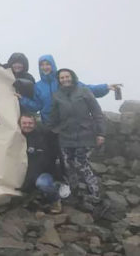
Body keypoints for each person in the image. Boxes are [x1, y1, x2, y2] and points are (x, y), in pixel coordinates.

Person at [49, 68, 106, 210]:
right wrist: (55, 130)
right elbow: (53, 117)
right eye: (62, 78)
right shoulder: (57, 96)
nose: (65, 79)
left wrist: (101, 133)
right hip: (66, 138)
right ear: (59, 80)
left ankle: (96, 194)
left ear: (72, 77)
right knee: (68, 166)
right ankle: (75, 193)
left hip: (85, 136)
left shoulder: (84, 91)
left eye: (67, 76)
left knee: (82, 164)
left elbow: (97, 112)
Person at [20, 55, 117, 124]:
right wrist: (22, 99)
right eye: (42, 65)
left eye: (47, 64)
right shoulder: (38, 86)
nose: (45, 67)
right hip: (48, 125)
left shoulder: (63, 80)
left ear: (53, 65)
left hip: (66, 125)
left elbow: (85, 89)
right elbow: (37, 106)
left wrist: (105, 87)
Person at [18, 113, 63, 214]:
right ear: (19, 124)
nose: (27, 125)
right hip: (23, 174)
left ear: (34, 124)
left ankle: (55, 199)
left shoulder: (43, 137)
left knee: (42, 183)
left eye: (30, 123)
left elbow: (47, 160)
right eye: (24, 123)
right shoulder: (16, 137)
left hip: (41, 173)